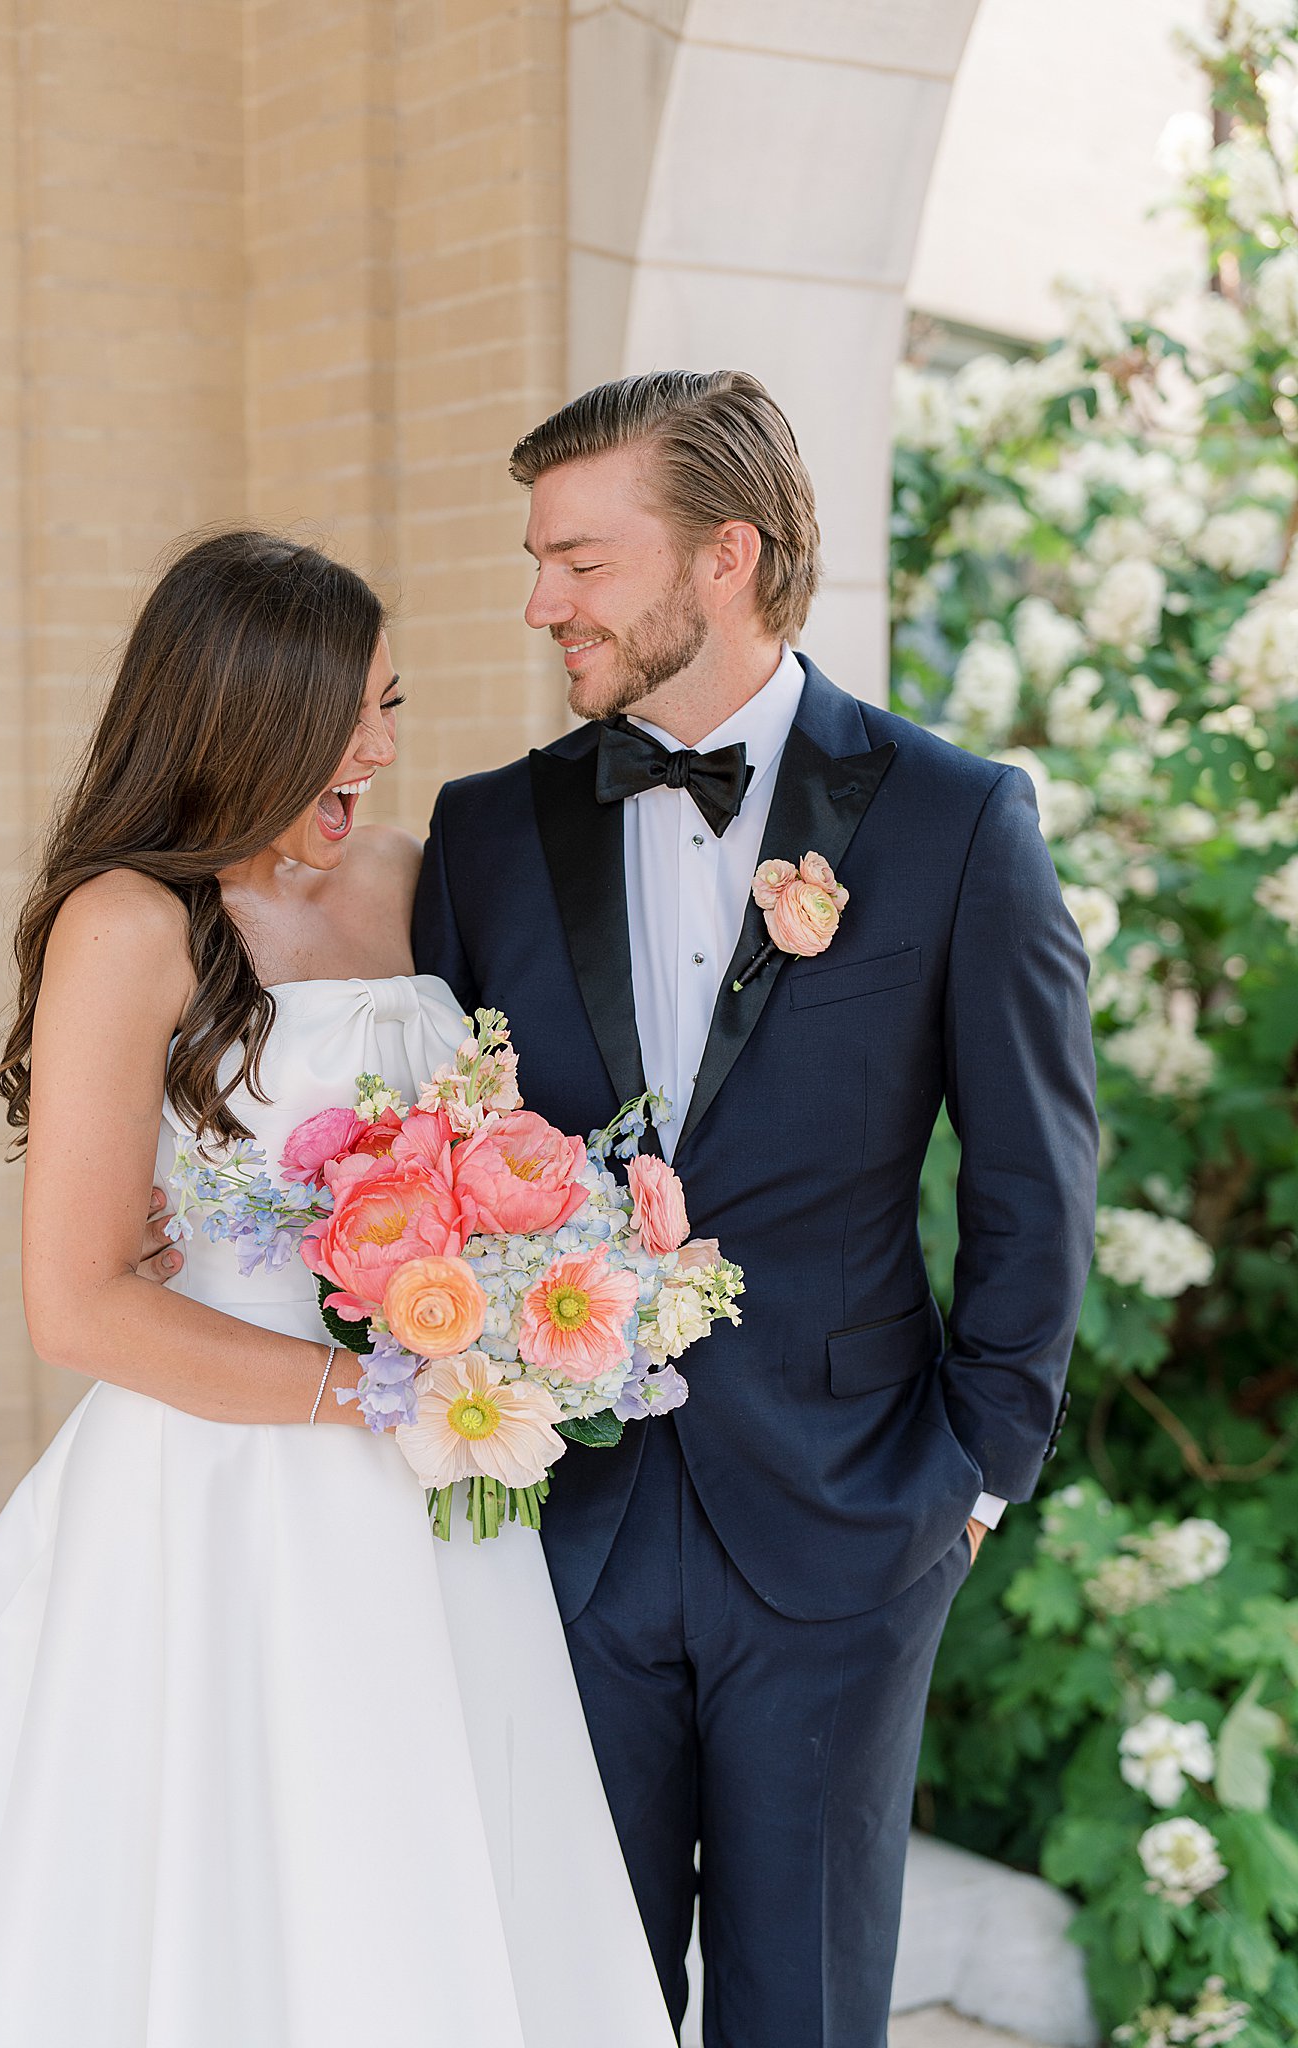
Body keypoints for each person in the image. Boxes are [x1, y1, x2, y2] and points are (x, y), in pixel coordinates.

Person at [0, 530, 674, 2048]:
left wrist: (527, 1293)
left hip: (443, 1486)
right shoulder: (127, 925)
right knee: (237, 1883)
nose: (378, 753)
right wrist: (372, 1391)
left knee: (432, 1874)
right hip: (229, 1483)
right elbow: (77, 1303)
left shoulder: (412, 880)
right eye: (348, 717)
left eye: (392, 708)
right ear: (244, 711)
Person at [411, 370, 1099, 2048]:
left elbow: (1036, 1173)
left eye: (581, 560)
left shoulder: (955, 821)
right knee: (575, 2012)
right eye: (536, 560)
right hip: (567, 1535)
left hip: (851, 1524)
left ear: (726, 556)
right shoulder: (486, 834)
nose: (541, 602)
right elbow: (431, 1163)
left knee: (807, 2015)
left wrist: (972, 1482)